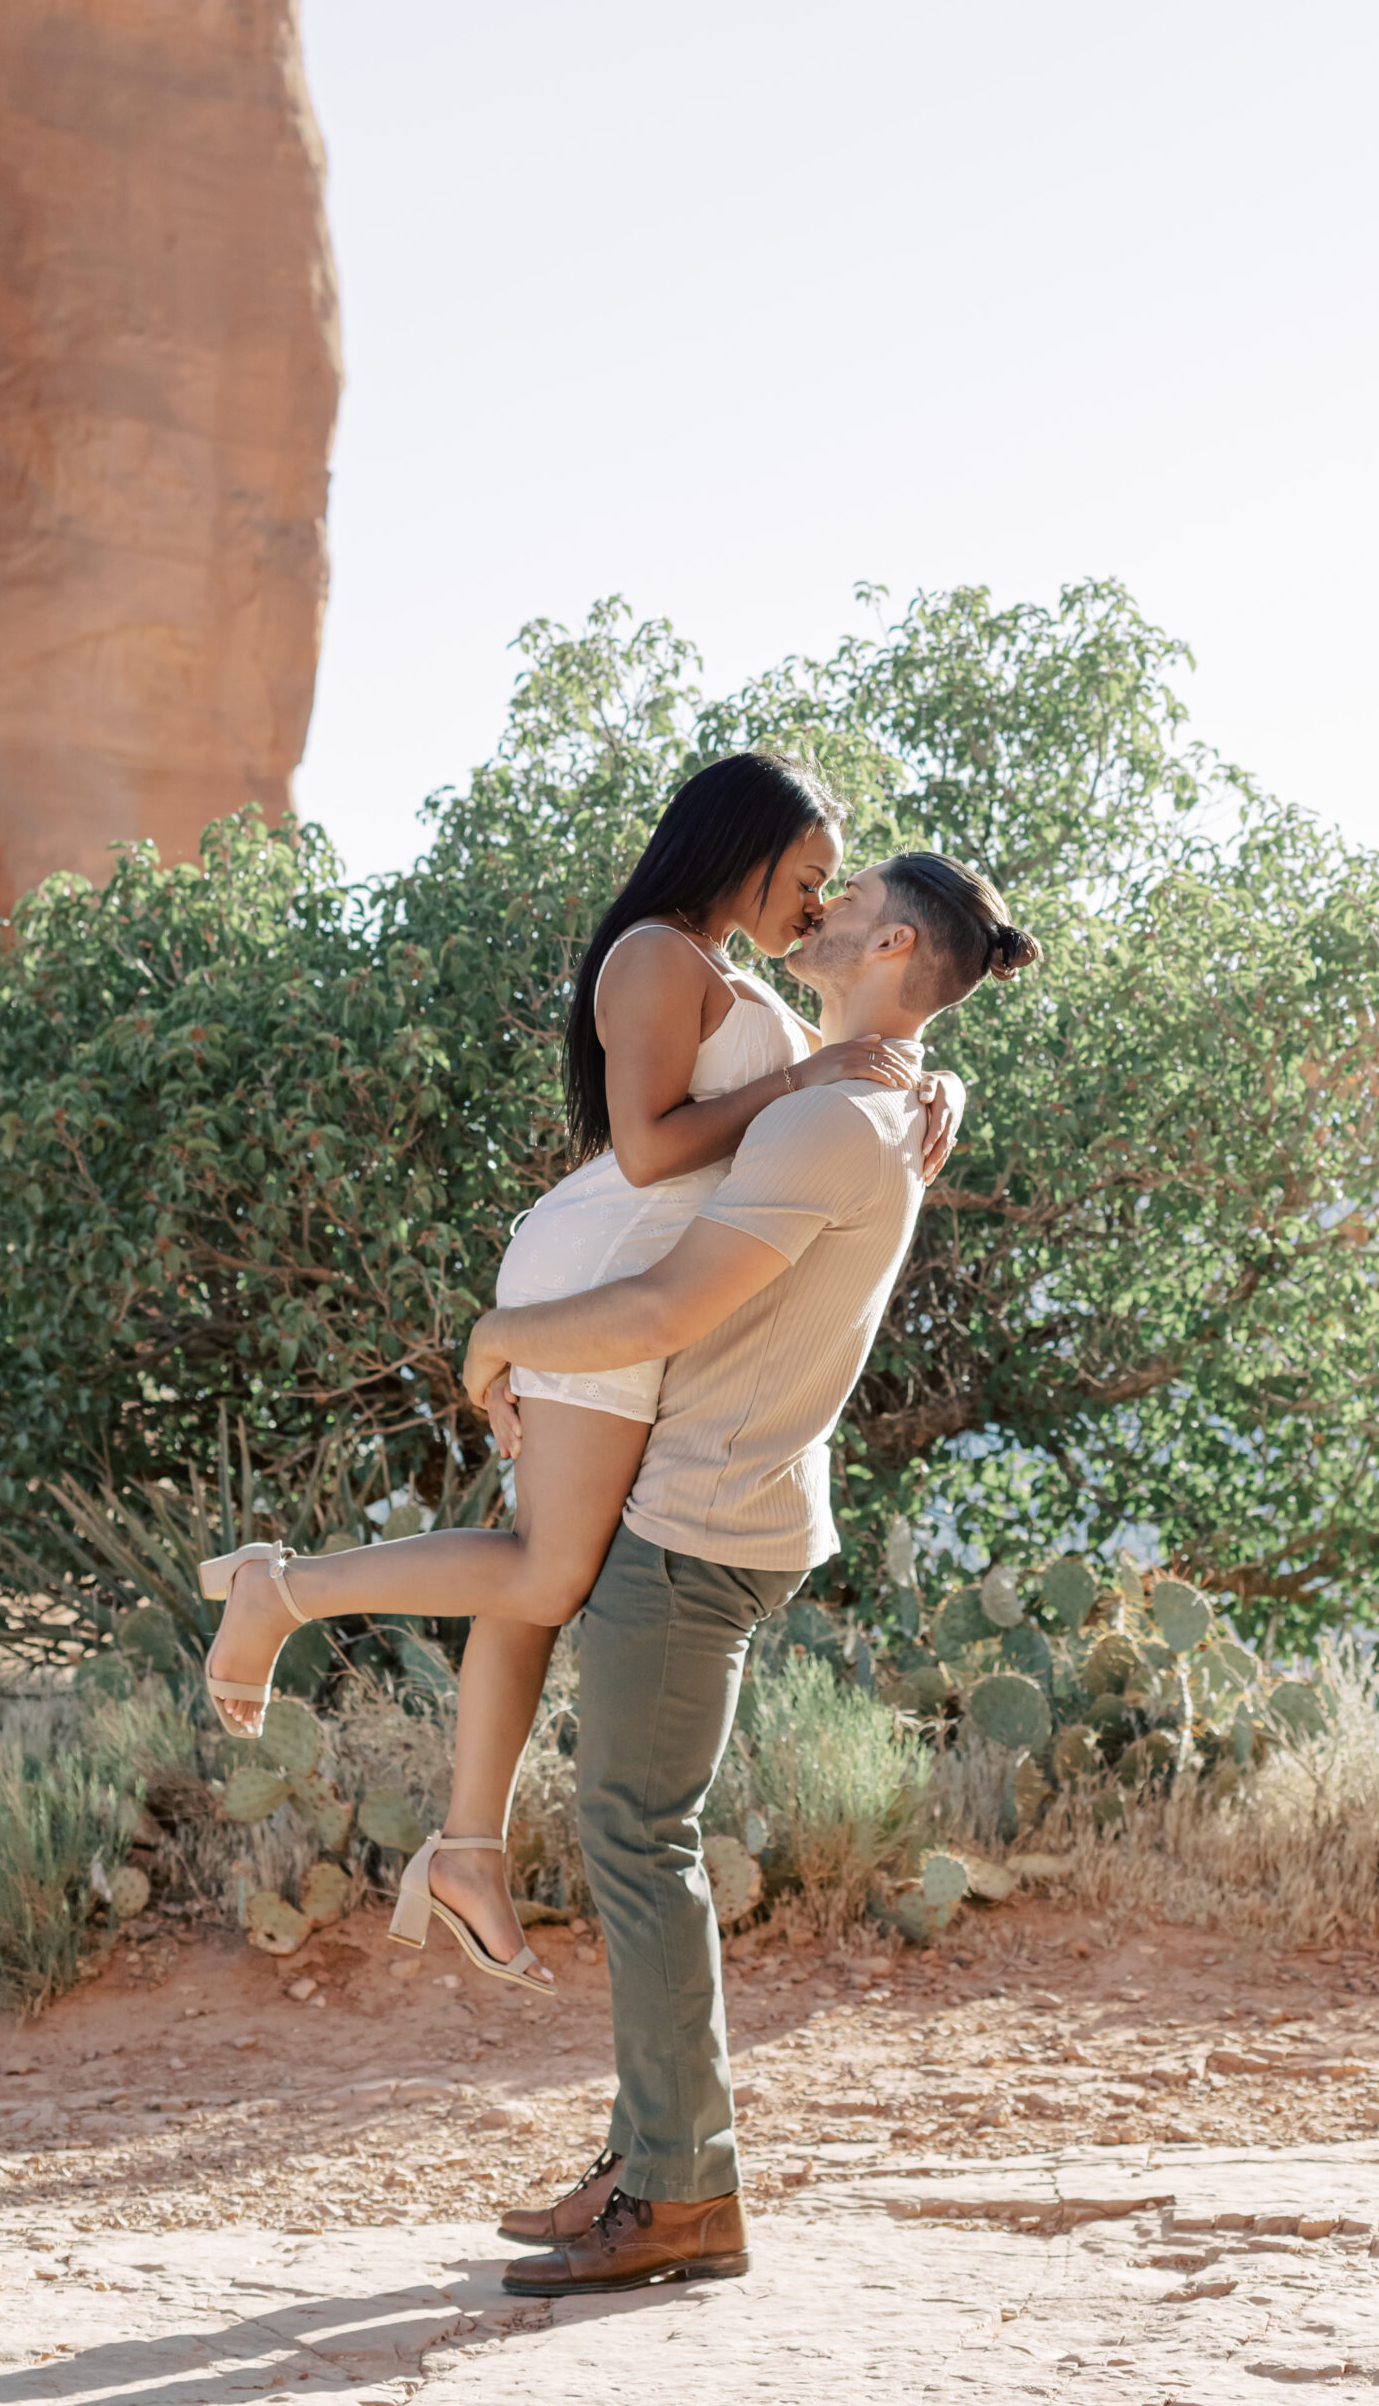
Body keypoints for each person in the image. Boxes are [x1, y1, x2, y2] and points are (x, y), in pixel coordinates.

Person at [200, 753, 964, 1990]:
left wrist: (933, 1079)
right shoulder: (655, 955)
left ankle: (465, 1849)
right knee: (548, 1568)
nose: (818, 908)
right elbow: (653, 1149)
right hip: (610, 1265)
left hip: (643, 1292)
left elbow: (855, 1062)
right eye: (809, 879)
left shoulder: (718, 968)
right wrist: (811, 1076)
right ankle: (276, 1591)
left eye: (835, 891)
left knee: (535, 1576)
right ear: (743, 847)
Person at [456, 851, 1037, 2293]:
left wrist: (498, 1340)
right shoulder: (873, 1100)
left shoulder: (839, 1122)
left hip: (703, 1516)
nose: (812, 912)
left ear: (889, 940)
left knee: (637, 1841)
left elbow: (666, 1298)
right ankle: (649, 2159)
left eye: (842, 903)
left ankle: (677, 2198)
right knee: (638, 1835)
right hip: (730, 1501)